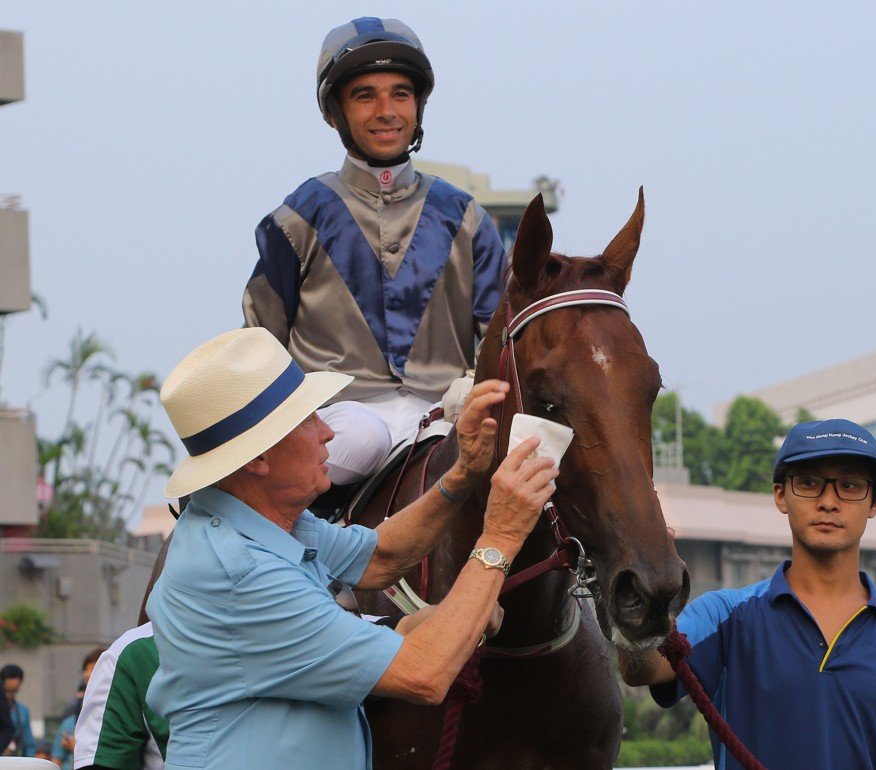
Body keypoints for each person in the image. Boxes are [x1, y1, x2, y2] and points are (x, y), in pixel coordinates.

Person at [144, 328, 556, 769]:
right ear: (258, 459)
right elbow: (425, 673)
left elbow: (379, 557)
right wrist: (501, 536)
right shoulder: (240, 570)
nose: (326, 433)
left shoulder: (258, 520)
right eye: (307, 420)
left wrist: (461, 476)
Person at [619, 418, 876, 769]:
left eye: (849, 485)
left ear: (875, 501)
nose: (828, 501)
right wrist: (638, 584)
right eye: (808, 483)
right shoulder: (724, 614)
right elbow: (642, 670)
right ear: (780, 495)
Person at [242, 17, 506, 492]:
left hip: (442, 417)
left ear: (419, 105)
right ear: (333, 113)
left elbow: (500, 339)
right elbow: (260, 345)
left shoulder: (467, 218)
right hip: (338, 421)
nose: (387, 111)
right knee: (363, 437)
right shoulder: (296, 218)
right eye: (365, 95)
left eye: (400, 94)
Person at [74, 622, 167, 770]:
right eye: (87, 669)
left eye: (92, 669)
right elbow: (103, 758)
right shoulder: (130, 652)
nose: (88, 674)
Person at [2, 663, 35, 756]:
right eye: (7, 691)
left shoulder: (22, 711)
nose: (9, 695)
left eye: (14, 691)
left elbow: (29, 743)